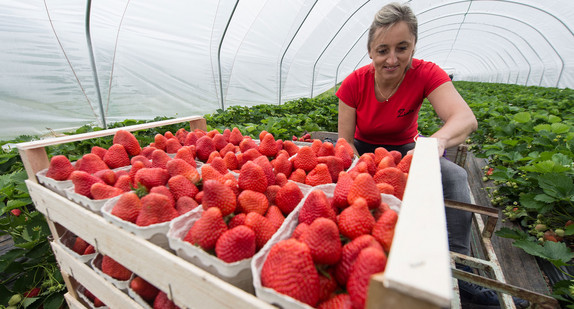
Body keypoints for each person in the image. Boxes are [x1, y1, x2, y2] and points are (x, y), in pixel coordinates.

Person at [336, 3, 528, 308]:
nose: (392, 58)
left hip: (407, 148)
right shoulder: (353, 83)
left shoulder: (425, 73)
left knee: (455, 175)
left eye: (402, 47)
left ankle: (459, 269)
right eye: (382, 49)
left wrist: (435, 143)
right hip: (364, 149)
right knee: (350, 187)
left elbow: (465, 119)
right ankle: (362, 253)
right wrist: (360, 169)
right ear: (370, 51)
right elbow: (344, 145)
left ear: (414, 46)